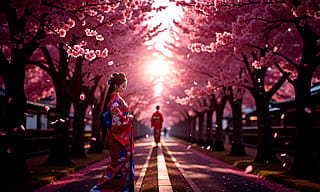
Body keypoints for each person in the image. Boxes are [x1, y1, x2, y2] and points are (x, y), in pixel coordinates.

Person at [90, 73, 134, 192]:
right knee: (119, 166)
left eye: (125, 86)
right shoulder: (114, 101)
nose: (124, 89)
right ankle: (101, 189)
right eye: (123, 86)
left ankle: (122, 188)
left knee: (122, 165)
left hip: (120, 136)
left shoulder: (116, 99)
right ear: (116, 85)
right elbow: (117, 120)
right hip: (118, 138)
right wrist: (129, 118)